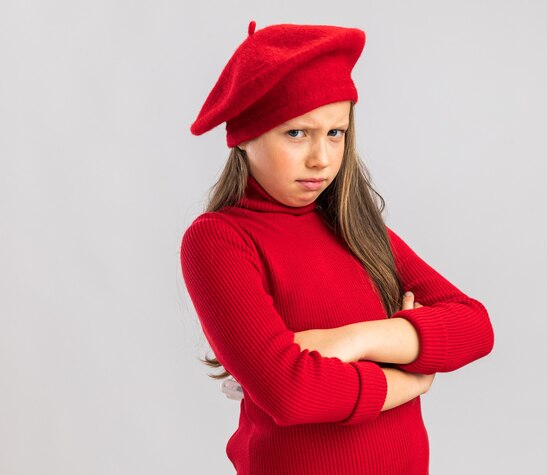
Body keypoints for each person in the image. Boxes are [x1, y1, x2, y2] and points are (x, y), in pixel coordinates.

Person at [180, 20, 495, 475]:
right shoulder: (220, 239)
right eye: (296, 133)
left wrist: (352, 340)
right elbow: (291, 393)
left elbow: (474, 326)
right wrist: (411, 377)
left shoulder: (354, 227)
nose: (321, 158)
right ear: (244, 136)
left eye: (335, 133)